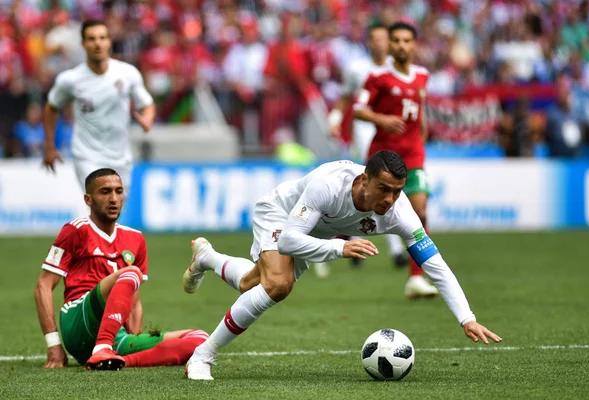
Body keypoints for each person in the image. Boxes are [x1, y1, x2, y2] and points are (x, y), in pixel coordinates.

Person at [182, 151, 502, 380]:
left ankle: (207, 258)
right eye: (384, 189)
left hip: (319, 234)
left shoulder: (400, 213)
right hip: (283, 215)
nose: (390, 199)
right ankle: (203, 355)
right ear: (365, 180)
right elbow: (289, 241)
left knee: (252, 283)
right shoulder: (329, 183)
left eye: (397, 191)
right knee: (278, 285)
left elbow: (435, 264)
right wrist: (340, 248)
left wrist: (466, 317)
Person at [34, 168, 207, 370]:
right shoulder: (75, 230)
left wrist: (135, 339)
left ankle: (118, 360)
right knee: (131, 272)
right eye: (105, 192)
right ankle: (102, 350)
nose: (114, 198)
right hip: (78, 321)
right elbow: (43, 286)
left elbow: (134, 302)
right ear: (88, 199)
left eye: (118, 191)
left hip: (116, 335)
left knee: (201, 340)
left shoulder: (136, 238)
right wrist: (54, 344)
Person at [354, 21, 437, 299]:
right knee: (366, 210)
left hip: (413, 155)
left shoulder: (422, 75)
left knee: (421, 212)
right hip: (383, 158)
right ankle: (332, 239)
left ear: (414, 45)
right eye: (397, 41)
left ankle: (415, 278)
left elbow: (419, 108)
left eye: (407, 41)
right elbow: (358, 109)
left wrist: (422, 131)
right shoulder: (378, 78)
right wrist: (382, 119)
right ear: (389, 44)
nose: (402, 45)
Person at [43, 19, 155, 196]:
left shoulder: (127, 73)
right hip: (87, 156)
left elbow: (147, 103)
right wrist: (49, 146)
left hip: (120, 157)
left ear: (109, 41)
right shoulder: (70, 79)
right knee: (101, 202)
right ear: (83, 43)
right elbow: (52, 106)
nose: (97, 43)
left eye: (102, 38)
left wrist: (147, 118)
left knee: (113, 211)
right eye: (91, 38)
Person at [329, 23, 409, 270]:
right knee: (373, 181)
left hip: (392, 132)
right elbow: (345, 97)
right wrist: (334, 119)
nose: (378, 43)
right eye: (373, 39)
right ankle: (387, 248)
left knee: (387, 186)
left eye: (383, 39)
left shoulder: (397, 69)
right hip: (366, 130)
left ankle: (356, 240)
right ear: (369, 42)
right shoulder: (357, 69)